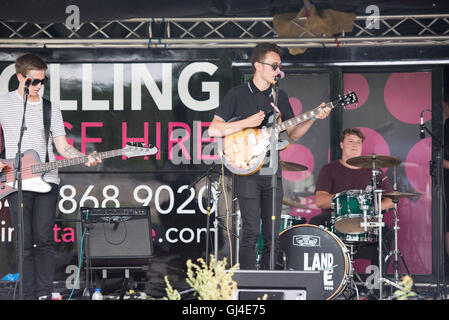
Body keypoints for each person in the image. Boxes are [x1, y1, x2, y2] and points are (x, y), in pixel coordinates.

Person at [208, 42, 331, 270]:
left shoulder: (279, 96)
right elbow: (213, 129)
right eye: (274, 66)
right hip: (247, 172)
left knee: (273, 234)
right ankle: (246, 286)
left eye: (280, 67)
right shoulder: (237, 94)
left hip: (272, 171)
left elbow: (293, 134)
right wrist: (247, 123)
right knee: (251, 231)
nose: (278, 71)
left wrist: (314, 116)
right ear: (258, 65)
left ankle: (269, 282)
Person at [0, 53, 101, 300]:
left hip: (48, 180)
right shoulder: (3, 103)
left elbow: (62, 146)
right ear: (20, 78)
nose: (38, 86)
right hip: (16, 181)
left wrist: (83, 156)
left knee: (43, 240)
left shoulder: (50, 108)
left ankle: (44, 294)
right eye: (34, 81)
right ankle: (27, 295)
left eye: (42, 81)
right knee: (23, 243)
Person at [311, 127, 394, 265]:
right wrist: (349, 203)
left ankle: (376, 283)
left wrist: (369, 208)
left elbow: (391, 200)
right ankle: (322, 279)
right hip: (334, 219)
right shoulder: (329, 169)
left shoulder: (374, 171)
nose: (355, 145)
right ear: (341, 145)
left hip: (366, 220)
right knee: (314, 224)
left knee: (386, 234)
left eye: (358, 142)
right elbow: (320, 200)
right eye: (350, 141)